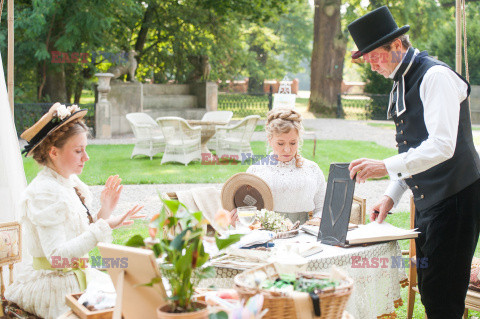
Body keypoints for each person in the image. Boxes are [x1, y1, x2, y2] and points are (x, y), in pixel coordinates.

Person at [347, 6, 480, 318]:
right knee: (432, 289)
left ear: (396, 45)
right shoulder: (400, 82)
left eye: (374, 56)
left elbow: (442, 146)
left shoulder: (435, 76)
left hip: (457, 198)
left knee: (442, 296)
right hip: (430, 202)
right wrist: (390, 196)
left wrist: (384, 166)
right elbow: (412, 148)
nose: (371, 65)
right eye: (366, 60)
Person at [4, 103, 144, 319]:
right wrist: (102, 226)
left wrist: (105, 214)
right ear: (53, 152)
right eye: (78, 151)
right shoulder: (43, 193)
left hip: (79, 274)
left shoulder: (69, 183)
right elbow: (57, 258)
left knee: (138, 297)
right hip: (55, 285)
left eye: (85, 149)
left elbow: (77, 234)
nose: (86, 157)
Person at [242, 107, 326, 224]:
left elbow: (323, 206)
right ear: (270, 140)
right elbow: (245, 206)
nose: (287, 149)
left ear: (299, 140)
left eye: (293, 143)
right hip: (266, 233)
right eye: (280, 143)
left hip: (304, 233)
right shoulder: (256, 170)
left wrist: (317, 219)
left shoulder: (312, 169)